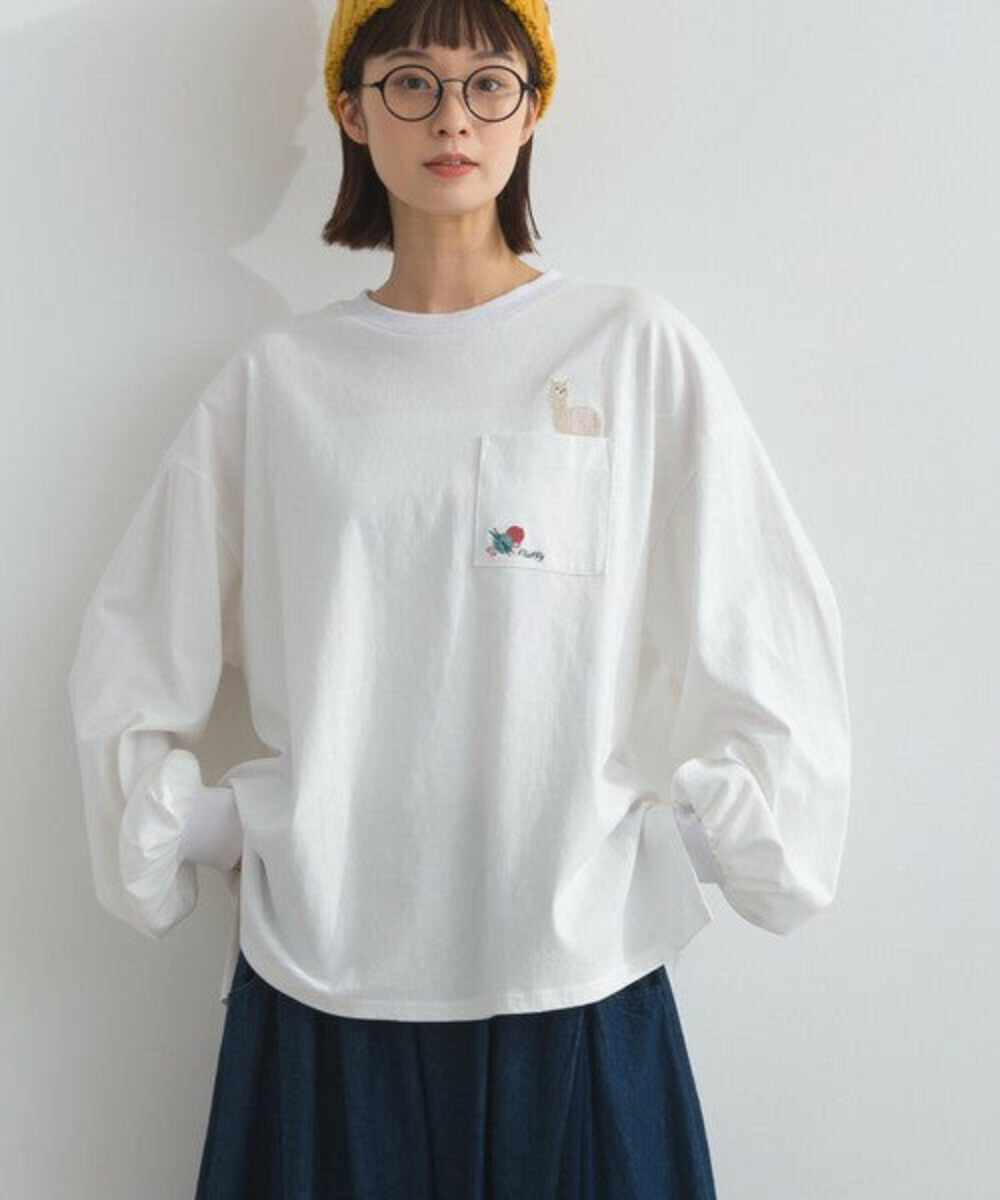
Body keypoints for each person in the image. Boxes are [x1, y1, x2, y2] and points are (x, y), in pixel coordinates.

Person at [66, 0, 851, 1195]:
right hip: (323, 983)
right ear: (352, 108)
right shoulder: (280, 384)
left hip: (576, 985)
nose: (451, 118)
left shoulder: (629, 348)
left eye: (488, 81)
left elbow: (771, 635)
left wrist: (685, 836)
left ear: (532, 108)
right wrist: (230, 828)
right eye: (410, 81)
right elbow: (132, 654)